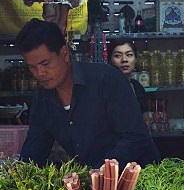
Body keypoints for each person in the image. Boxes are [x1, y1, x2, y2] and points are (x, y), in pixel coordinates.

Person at [16, 19, 160, 169]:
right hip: (95, 184)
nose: (40, 73)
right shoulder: (42, 100)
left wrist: (100, 172)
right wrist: (18, 178)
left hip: (143, 181)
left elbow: (136, 137)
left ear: (65, 54)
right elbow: (34, 150)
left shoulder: (107, 80)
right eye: (32, 67)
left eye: (45, 64)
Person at [108, 39, 149, 116]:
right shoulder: (105, 88)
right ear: (109, 60)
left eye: (129, 55)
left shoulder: (137, 87)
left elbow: (145, 120)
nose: (124, 60)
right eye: (118, 56)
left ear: (136, 59)